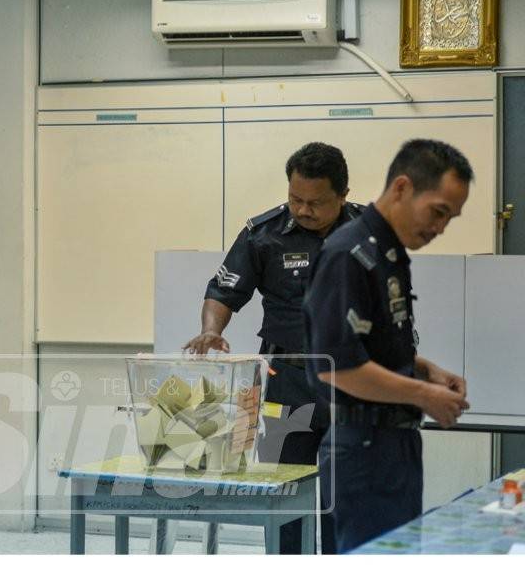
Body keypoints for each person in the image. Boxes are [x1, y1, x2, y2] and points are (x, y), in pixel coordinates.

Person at [184, 142, 362, 554]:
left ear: (343, 195)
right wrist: (211, 330)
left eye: (316, 202)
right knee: (285, 495)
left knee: (348, 499)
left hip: (357, 384)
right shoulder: (264, 235)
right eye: (295, 198)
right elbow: (223, 291)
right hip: (288, 380)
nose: (303, 210)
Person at [302, 139, 473, 553]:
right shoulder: (349, 253)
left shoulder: (388, 253)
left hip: (393, 444)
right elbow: (337, 366)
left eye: (450, 218)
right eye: (438, 212)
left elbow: (372, 344)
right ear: (402, 188)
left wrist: (423, 369)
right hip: (362, 446)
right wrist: (424, 394)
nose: (440, 228)